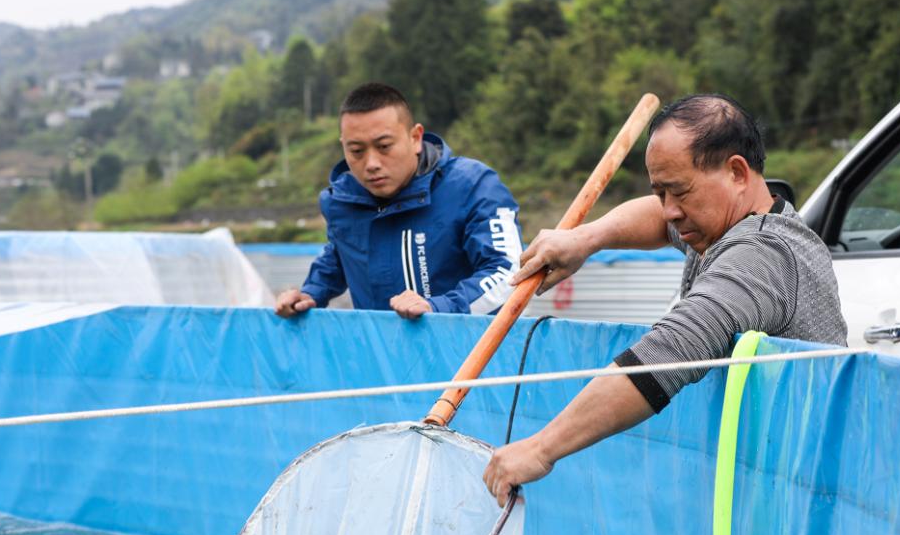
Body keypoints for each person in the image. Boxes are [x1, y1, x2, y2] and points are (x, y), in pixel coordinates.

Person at [483, 93, 848, 506]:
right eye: (660, 193)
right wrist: (585, 239)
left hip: (804, 494)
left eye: (679, 191)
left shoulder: (761, 255)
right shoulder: (715, 223)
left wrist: (540, 449)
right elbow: (658, 219)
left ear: (736, 173)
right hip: (768, 481)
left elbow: (665, 356)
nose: (670, 211)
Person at [274, 83, 522, 320]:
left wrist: (439, 308)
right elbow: (341, 252)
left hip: (471, 357)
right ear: (343, 147)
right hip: (383, 361)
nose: (371, 164)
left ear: (415, 137)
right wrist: (311, 293)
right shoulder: (340, 202)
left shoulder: (474, 186)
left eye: (384, 146)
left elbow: (508, 273)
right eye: (357, 151)